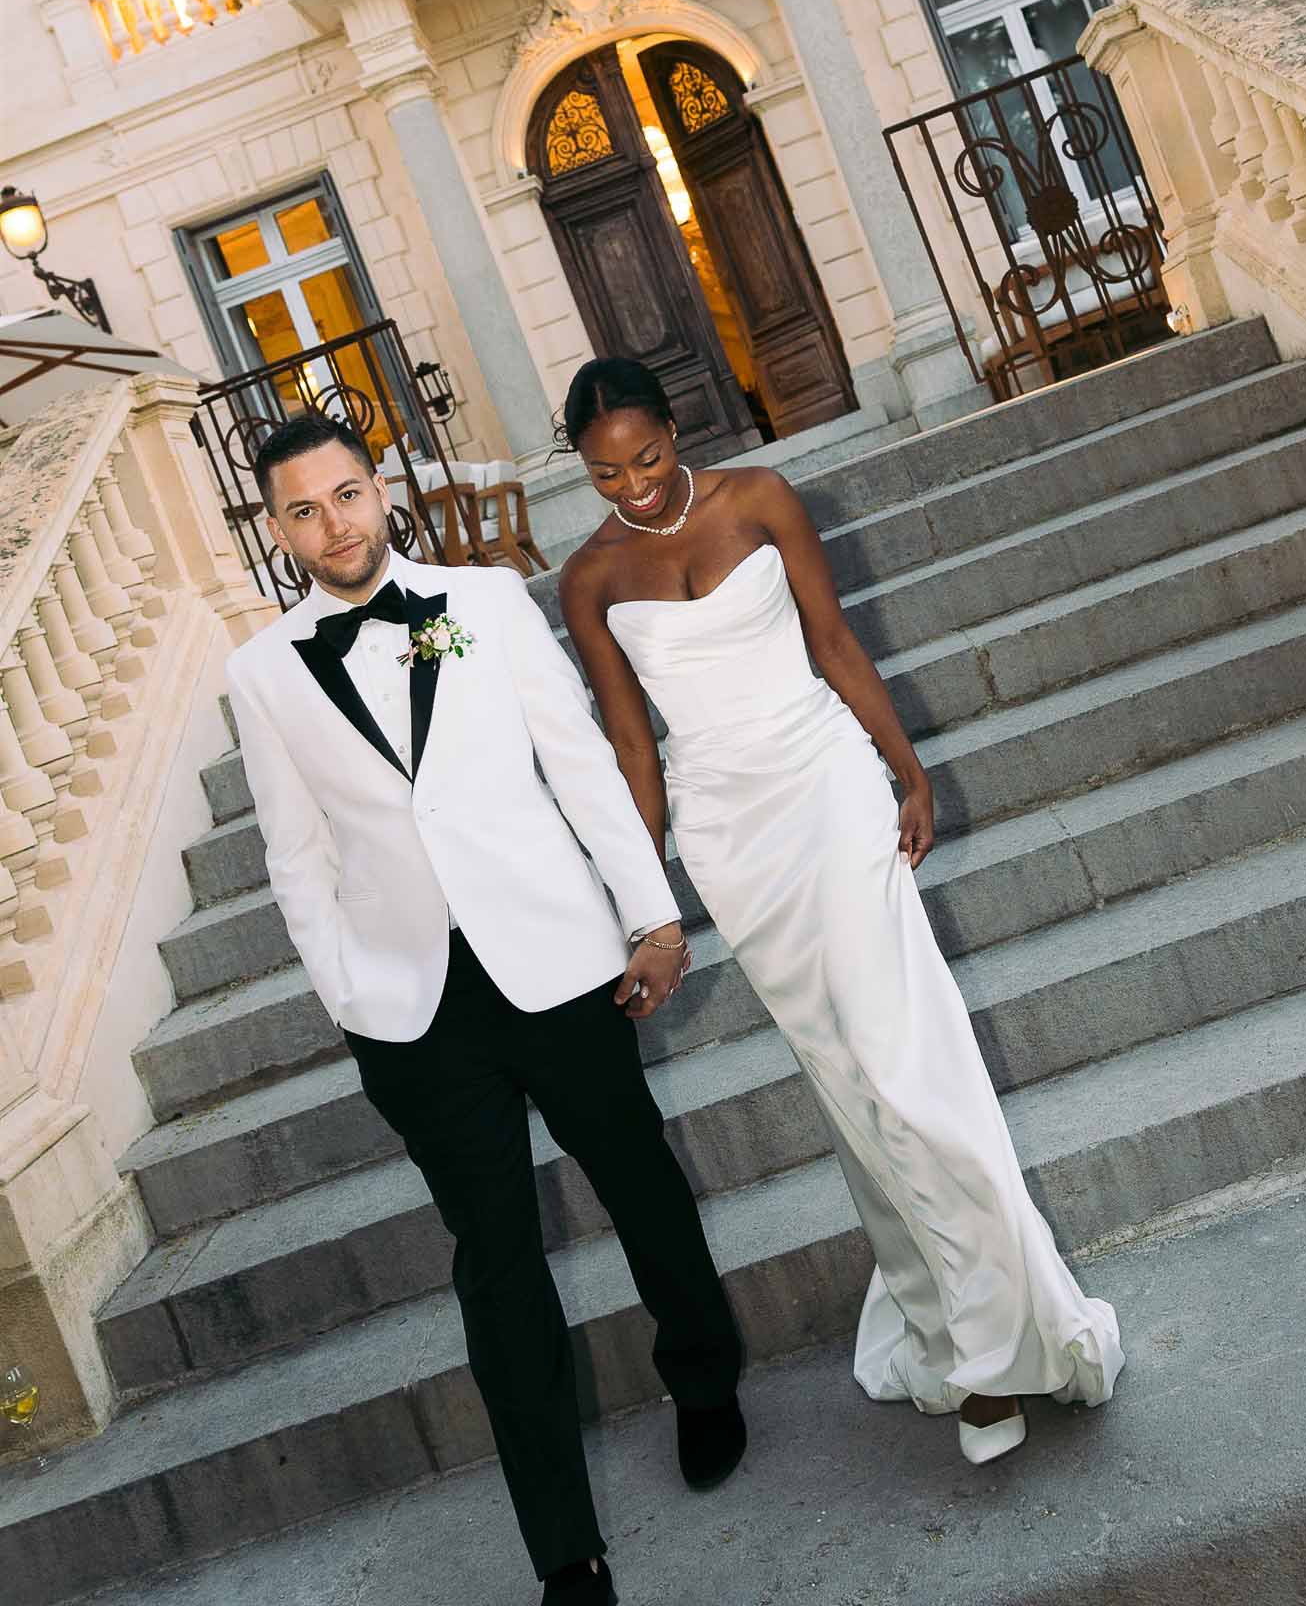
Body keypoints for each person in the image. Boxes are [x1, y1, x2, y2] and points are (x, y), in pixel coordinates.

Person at [557, 358, 1124, 1467]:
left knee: (899, 1056)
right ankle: (943, 1302)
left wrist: (905, 768)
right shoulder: (586, 578)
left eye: (648, 457)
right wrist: (646, 900)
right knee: (848, 1075)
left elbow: (833, 643)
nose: (631, 486)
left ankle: (985, 1355)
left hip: (827, 785)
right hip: (730, 835)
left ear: (679, 429)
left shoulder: (759, 497)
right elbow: (633, 745)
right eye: (605, 473)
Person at [226, 411, 745, 1606]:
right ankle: (566, 1549)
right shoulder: (258, 675)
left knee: (640, 1182)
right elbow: (294, 858)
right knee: (497, 1270)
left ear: (381, 488)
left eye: (346, 495)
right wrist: (352, 998)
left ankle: (704, 1372)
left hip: (557, 961)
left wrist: (649, 911)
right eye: (303, 509)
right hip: (415, 1012)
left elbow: (576, 759)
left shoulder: (486, 600)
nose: (333, 524)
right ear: (278, 526)